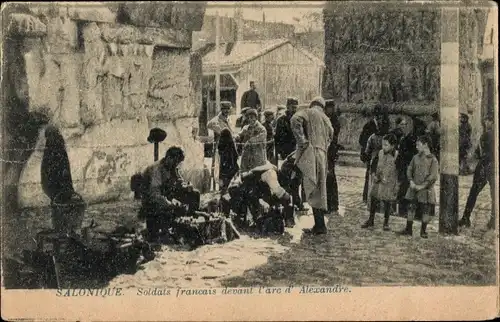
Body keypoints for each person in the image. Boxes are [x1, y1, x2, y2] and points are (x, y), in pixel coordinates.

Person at [234, 108, 295, 227]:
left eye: (253, 117)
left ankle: (288, 213)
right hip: (248, 165)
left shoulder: (261, 129)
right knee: (249, 191)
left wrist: (249, 141)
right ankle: (253, 217)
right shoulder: (246, 128)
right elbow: (240, 134)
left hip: (261, 165)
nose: (251, 120)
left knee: (276, 189)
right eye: (249, 117)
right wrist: (236, 137)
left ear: (256, 118)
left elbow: (260, 138)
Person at [291, 97, 334, 235]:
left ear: (312, 104)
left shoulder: (309, 112)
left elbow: (294, 120)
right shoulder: (326, 118)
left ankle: (320, 226)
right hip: (322, 154)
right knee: (320, 190)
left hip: (311, 152)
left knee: (312, 187)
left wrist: (302, 141)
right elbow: (331, 135)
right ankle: (320, 224)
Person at [139, 147, 200, 241]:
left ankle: (190, 221)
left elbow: (180, 182)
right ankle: (175, 226)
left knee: (194, 194)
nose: (176, 165)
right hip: (152, 201)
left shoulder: (171, 167)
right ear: (169, 158)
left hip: (166, 195)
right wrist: (171, 204)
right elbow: (155, 195)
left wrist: (187, 186)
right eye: (175, 162)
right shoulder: (157, 169)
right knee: (173, 209)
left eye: (178, 162)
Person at [397, 135, 439, 238]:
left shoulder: (433, 160)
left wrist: (423, 186)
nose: (416, 147)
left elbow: (433, 176)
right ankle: (408, 229)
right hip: (414, 187)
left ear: (425, 145)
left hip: (426, 190)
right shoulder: (415, 157)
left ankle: (423, 231)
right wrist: (411, 181)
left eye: (418, 145)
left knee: (425, 209)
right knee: (411, 207)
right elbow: (410, 169)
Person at [459, 115, 495, 230]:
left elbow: (478, 153)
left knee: (473, 192)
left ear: (491, 122)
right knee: (494, 194)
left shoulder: (486, 135)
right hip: (493, 166)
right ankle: (493, 221)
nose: (485, 123)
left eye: (487, 121)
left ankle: (466, 217)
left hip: (484, 165)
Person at [361, 134, 399, 230]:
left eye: (386, 145)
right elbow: (373, 165)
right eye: (383, 145)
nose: (383, 147)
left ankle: (386, 223)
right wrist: (374, 175)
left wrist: (396, 183)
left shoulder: (397, 156)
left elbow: (399, 170)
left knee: (387, 202)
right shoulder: (380, 153)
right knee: (374, 199)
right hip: (378, 180)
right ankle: (371, 220)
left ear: (392, 146)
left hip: (389, 182)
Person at [359, 104, 388, 203]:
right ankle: (367, 197)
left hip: (380, 154)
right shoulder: (368, 125)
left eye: (380, 116)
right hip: (371, 154)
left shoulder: (383, 125)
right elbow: (361, 140)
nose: (379, 118)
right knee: (370, 175)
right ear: (375, 115)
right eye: (378, 115)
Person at [395, 119, 418, 217]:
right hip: (402, 167)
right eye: (401, 125)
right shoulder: (402, 138)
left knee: (405, 189)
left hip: (407, 167)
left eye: (405, 125)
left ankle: (404, 211)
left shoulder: (410, 139)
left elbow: (412, 154)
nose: (403, 127)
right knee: (402, 189)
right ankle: (401, 211)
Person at [325, 100, 341, 215]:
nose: (330, 110)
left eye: (331, 108)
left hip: (330, 152)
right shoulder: (327, 119)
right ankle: (328, 204)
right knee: (326, 179)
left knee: (330, 178)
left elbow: (333, 137)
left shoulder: (334, 120)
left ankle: (333, 204)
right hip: (327, 151)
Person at [217, 129, 239, 193]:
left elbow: (219, 151)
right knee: (230, 175)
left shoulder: (221, 142)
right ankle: (228, 188)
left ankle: (223, 188)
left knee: (224, 177)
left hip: (224, 163)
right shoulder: (231, 142)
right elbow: (236, 154)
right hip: (231, 163)